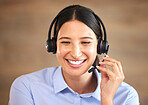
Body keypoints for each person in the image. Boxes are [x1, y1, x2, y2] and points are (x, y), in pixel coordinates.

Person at [8, 5, 139, 105]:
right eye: (65, 42)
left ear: (100, 46)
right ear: (53, 45)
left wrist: (107, 99)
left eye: (85, 42)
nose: (76, 54)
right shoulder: (27, 87)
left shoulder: (126, 96)